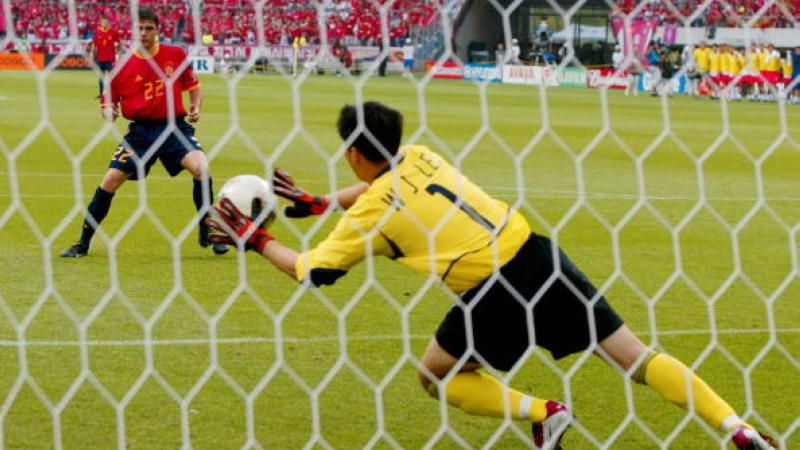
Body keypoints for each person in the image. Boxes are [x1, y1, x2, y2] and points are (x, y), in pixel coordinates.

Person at [207, 101, 777, 450]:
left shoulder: (374, 213)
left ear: (355, 152)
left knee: (435, 375)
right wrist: (323, 201)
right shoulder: (420, 155)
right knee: (635, 356)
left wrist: (256, 238)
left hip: (492, 290)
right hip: (537, 254)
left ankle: (544, 413)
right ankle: (736, 427)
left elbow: (311, 273)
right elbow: (384, 181)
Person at [60, 8, 228, 258]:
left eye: (149, 28)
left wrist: (195, 107)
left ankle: (208, 229)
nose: (144, 33)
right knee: (110, 180)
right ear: (133, 31)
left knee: (201, 168)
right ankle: (82, 243)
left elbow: (194, 86)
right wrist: (108, 112)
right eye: (140, 28)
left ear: (157, 30)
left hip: (173, 128)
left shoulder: (175, 54)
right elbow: (107, 101)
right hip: (141, 133)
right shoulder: (123, 65)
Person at [87, 15, 120, 98]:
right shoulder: (97, 32)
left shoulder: (113, 32)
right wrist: (92, 54)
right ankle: (102, 94)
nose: (104, 23)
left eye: (105, 22)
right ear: (100, 23)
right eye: (102, 22)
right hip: (100, 59)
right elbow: (94, 45)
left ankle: (115, 94)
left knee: (113, 77)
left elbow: (119, 43)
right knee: (101, 77)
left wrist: (118, 54)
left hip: (110, 59)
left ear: (109, 23)